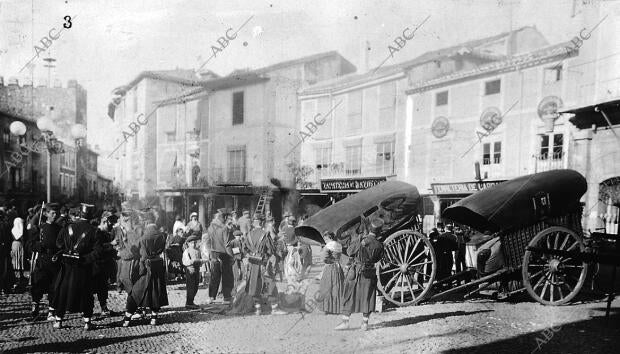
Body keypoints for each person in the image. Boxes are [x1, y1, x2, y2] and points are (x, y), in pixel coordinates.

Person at [52, 203, 102, 330]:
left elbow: (58, 244)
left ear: (79, 214)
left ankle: (58, 320)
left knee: (63, 292)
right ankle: (87, 322)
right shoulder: (95, 231)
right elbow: (97, 252)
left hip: (67, 266)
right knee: (85, 293)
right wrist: (84, 260)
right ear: (91, 216)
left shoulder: (67, 227)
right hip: (84, 268)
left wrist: (67, 253)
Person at [335, 218, 384, 331]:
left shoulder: (362, 240)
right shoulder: (380, 245)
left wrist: (358, 240)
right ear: (379, 231)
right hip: (370, 273)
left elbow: (349, 252)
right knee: (368, 297)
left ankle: (345, 322)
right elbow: (378, 259)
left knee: (349, 295)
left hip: (357, 271)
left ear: (370, 228)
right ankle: (365, 324)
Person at [122, 221, 168, 327]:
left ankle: (127, 319)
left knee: (136, 292)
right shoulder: (162, 236)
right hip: (158, 266)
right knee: (156, 291)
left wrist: (124, 245)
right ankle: (153, 318)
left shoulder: (143, 238)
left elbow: (134, 251)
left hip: (146, 266)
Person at [244, 214, 286, 316]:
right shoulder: (265, 234)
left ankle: (258, 309)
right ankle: (274, 309)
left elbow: (244, 249)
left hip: (253, 263)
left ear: (254, 222)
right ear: (262, 222)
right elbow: (271, 250)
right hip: (264, 263)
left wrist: (251, 255)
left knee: (254, 284)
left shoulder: (248, 235)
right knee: (270, 283)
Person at [29, 203, 62, 321]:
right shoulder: (39, 228)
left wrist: (59, 254)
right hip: (42, 260)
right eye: (52, 213)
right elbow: (30, 245)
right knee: (38, 283)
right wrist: (39, 245)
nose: (55, 215)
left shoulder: (59, 229)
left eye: (56, 213)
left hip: (55, 260)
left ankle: (51, 311)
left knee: (55, 286)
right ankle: (35, 307)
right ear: (46, 214)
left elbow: (62, 245)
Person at [205, 208, 234, 304]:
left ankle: (211, 297)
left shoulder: (210, 227)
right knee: (226, 276)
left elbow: (207, 242)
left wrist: (209, 252)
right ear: (224, 217)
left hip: (213, 254)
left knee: (214, 276)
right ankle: (227, 297)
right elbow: (227, 244)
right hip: (224, 254)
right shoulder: (224, 228)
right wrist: (231, 256)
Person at [92, 210, 118, 317]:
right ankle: (87, 312)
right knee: (92, 288)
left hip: (104, 266)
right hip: (95, 265)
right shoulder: (96, 233)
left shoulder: (106, 234)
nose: (112, 224)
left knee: (103, 288)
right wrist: (111, 245)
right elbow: (97, 249)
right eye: (111, 222)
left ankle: (104, 308)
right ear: (104, 221)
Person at [115, 210, 141, 294]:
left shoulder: (136, 230)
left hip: (131, 259)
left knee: (128, 278)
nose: (122, 222)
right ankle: (133, 299)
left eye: (125, 220)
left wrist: (121, 252)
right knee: (123, 278)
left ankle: (135, 298)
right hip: (126, 258)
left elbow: (133, 249)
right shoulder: (128, 230)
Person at [318, 232, 344, 314]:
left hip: (330, 267)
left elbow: (323, 258)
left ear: (329, 238)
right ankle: (337, 308)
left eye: (326, 239)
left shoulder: (328, 246)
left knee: (327, 286)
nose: (325, 241)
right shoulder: (339, 245)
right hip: (338, 267)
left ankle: (328, 308)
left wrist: (327, 261)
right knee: (337, 287)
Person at [182, 235, 204, 309]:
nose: (193, 244)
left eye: (194, 243)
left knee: (195, 286)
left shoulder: (198, 250)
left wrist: (201, 262)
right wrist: (192, 261)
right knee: (190, 286)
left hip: (197, 270)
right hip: (190, 270)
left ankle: (191, 301)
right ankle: (188, 302)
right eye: (191, 243)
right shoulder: (186, 251)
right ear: (188, 244)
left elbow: (201, 259)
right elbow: (185, 261)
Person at [0, 209, 15, 295]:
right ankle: (5, 288)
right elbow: (9, 238)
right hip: (4, 250)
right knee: (4, 270)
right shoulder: (6, 225)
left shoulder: (5, 225)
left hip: (3, 249)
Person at [11, 217, 25, 287]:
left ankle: (18, 276)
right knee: (19, 259)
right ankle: (19, 276)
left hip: (14, 244)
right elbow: (21, 237)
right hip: (19, 244)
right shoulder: (20, 230)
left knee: (16, 260)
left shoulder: (13, 229)